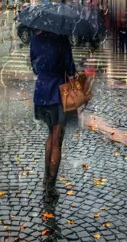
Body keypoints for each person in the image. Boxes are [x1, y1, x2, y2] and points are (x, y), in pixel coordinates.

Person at [30, 30, 76, 203]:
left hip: (41, 92)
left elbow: (34, 67)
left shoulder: (34, 39)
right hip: (57, 93)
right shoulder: (61, 39)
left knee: (51, 134)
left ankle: (45, 177)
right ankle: (50, 187)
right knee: (57, 139)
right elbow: (70, 68)